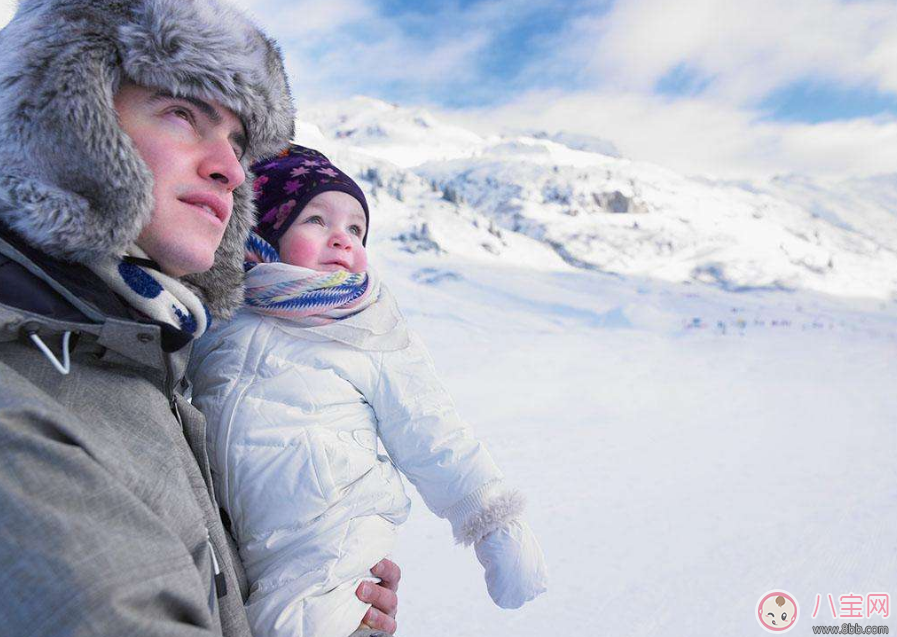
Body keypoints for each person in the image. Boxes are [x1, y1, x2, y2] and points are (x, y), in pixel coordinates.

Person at [0, 2, 399, 635]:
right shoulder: (24, 405)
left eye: (239, 141)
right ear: (64, 123)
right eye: (184, 114)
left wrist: (302, 600)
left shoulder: (142, 360)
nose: (233, 169)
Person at [188, 145, 548, 637]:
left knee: (291, 627)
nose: (342, 239)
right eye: (315, 220)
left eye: (356, 229)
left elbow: (432, 429)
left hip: (333, 531)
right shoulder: (219, 314)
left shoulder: (369, 326)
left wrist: (494, 521)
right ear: (263, 231)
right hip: (243, 534)